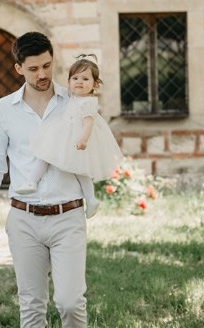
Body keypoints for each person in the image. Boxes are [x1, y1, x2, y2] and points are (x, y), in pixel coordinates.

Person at [0, 32, 101, 328]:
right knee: (31, 305)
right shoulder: (4, 109)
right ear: (18, 68)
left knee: (70, 300)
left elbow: (91, 147)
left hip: (68, 214)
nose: (43, 74)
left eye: (47, 65)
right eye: (33, 69)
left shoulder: (74, 99)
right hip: (24, 218)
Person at [12, 53, 123, 218]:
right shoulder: (72, 95)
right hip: (63, 133)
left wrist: (83, 140)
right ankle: (33, 181)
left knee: (81, 170)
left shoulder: (88, 102)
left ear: (95, 85)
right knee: (45, 154)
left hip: (77, 138)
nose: (79, 82)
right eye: (75, 78)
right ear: (69, 82)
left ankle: (91, 199)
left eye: (85, 79)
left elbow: (88, 123)